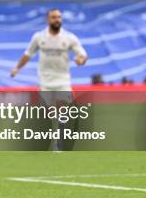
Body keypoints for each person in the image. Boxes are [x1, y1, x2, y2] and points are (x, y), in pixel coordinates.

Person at [10, 8, 88, 150]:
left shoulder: (69, 38)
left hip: (63, 81)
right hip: (45, 82)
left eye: (59, 17)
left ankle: (59, 144)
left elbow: (83, 54)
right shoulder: (39, 37)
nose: (57, 20)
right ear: (48, 19)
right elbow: (28, 54)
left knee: (63, 114)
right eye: (54, 17)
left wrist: (80, 60)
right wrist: (17, 68)